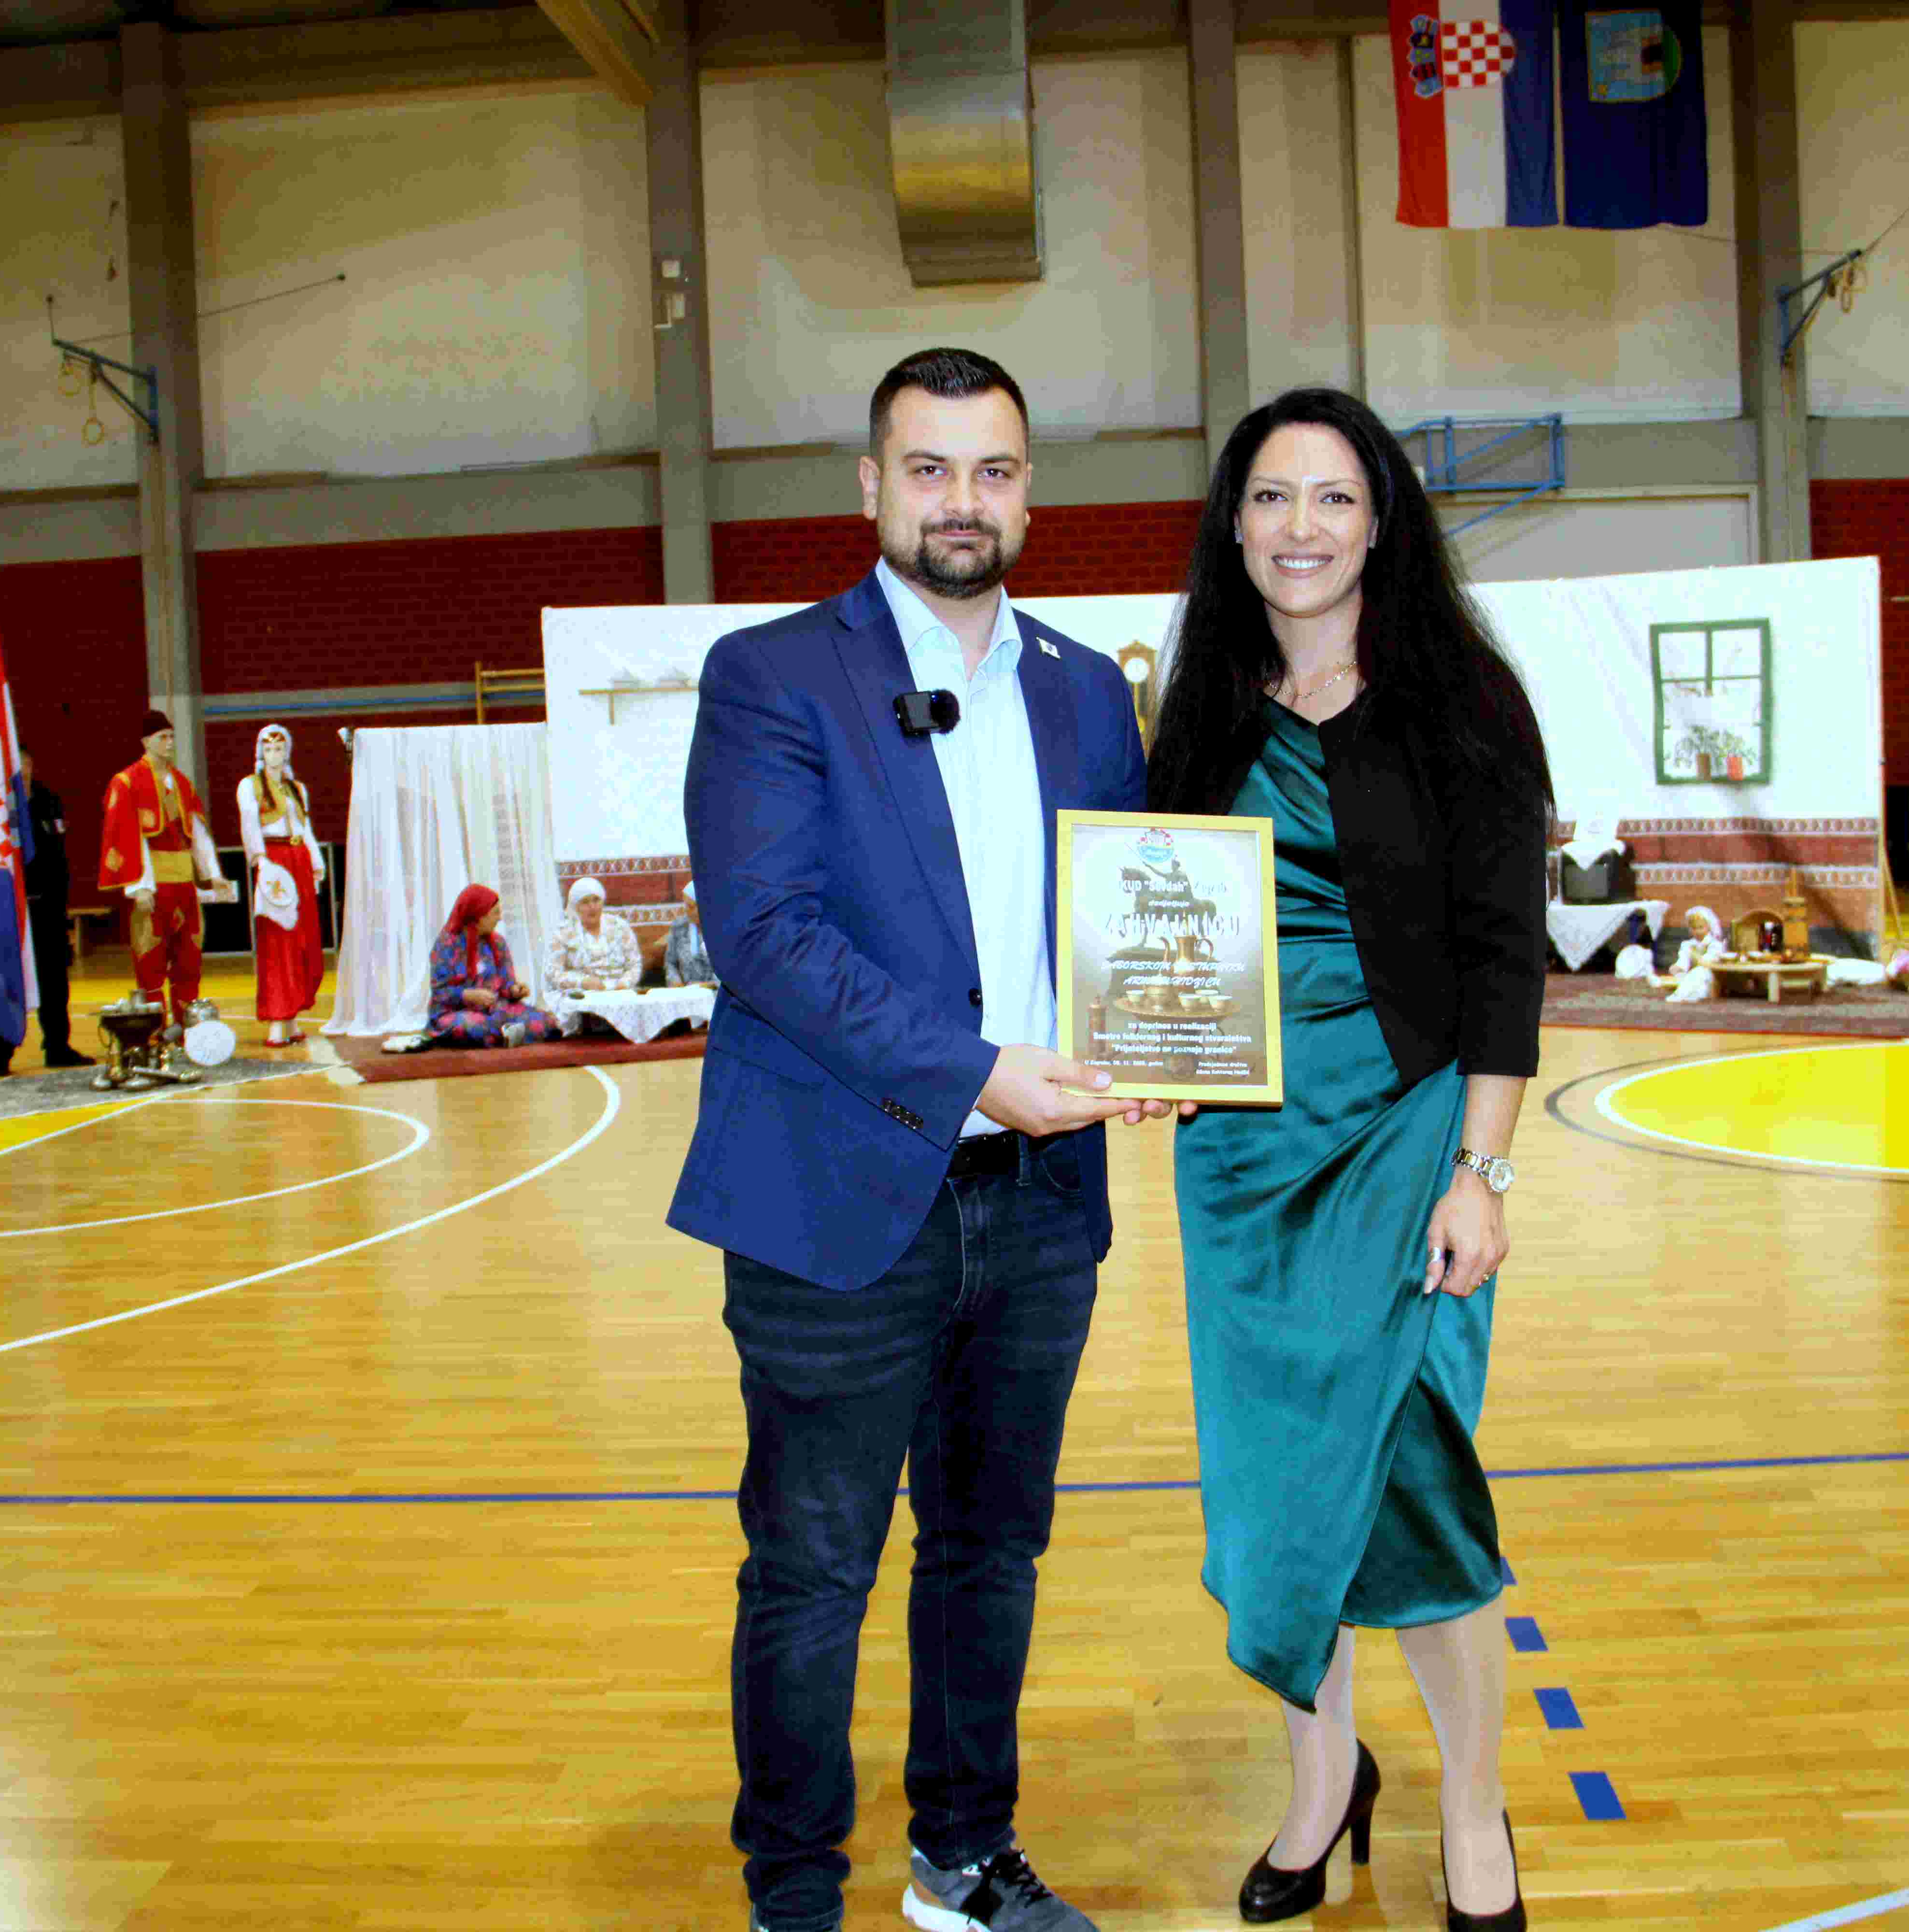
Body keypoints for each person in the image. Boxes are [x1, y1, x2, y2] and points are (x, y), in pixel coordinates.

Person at [666, 347, 1156, 1932]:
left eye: (993, 470)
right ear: (872, 485)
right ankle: (795, 1892)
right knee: (813, 1572)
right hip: (836, 1204)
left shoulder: (1088, 689)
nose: (963, 501)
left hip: (1041, 1206)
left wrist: (1159, 1040)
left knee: (991, 1553)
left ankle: (963, 1858)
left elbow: (1127, 913)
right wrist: (979, 1071)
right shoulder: (772, 675)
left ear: (1030, 492)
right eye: (930, 469)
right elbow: (768, 937)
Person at [1145, 386, 1549, 1932]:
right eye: (1269, 497)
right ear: (1233, 525)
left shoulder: (1465, 700)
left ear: (1381, 521)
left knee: (1418, 1488)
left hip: (1409, 1143)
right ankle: (1322, 1785)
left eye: (1330, 497)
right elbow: (1164, 922)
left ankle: (1472, 1808)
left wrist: (1482, 1174)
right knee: (1278, 1495)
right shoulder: (1202, 706)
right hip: (1244, 1169)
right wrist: (1150, 1053)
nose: (1298, 527)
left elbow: (1502, 956)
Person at [97, 710, 233, 1033]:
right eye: (163, 737)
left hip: (186, 887)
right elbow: (128, 838)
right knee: (151, 964)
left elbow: (197, 833)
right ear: (146, 742)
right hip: (154, 886)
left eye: (172, 737)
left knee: (189, 963)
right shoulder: (127, 782)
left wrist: (213, 874)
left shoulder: (183, 783)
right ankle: (154, 1036)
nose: (170, 743)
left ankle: (189, 1033)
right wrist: (139, 887)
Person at [0, 751, 91, 1076]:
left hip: (46, 907)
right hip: (6, 910)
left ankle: (57, 1047)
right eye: (14, 765)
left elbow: (59, 856)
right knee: (3, 979)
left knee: (54, 980)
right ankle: (0, 1053)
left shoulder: (48, 801)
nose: (22, 771)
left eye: (26, 764)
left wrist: (59, 899)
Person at [238, 723, 328, 1046]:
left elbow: (306, 830)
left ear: (287, 752)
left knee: (302, 939)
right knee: (278, 940)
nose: (273, 755)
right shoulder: (250, 786)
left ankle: (292, 1017)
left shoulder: (297, 789)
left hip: (299, 860)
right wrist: (261, 862)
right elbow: (250, 826)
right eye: (268, 749)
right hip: (275, 863)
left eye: (279, 749)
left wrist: (316, 862)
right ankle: (277, 1017)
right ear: (260, 752)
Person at [425, 885, 560, 1047]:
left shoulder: (498, 943)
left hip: (497, 1010)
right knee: (473, 1027)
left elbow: (507, 984)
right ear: (478, 915)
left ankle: (505, 1035)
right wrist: (468, 995)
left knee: (547, 1022)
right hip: (455, 1012)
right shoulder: (447, 945)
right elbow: (440, 993)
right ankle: (509, 1034)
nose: (500, 918)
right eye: (495, 913)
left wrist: (515, 990)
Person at [550, 876, 642, 994]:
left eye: (596, 900)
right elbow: (553, 973)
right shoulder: (564, 934)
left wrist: (624, 984)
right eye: (585, 902)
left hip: (620, 993)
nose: (592, 907)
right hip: (582, 995)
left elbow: (635, 965)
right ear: (576, 906)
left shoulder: (620, 927)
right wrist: (582, 982)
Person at [663, 881, 719, 989]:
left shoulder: (721, 930)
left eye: (691, 907)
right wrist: (676, 982)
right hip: (686, 993)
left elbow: (729, 969)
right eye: (686, 906)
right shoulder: (679, 927)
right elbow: (670, 963)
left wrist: (709, 985)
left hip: (716, 993)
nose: (687, 911)